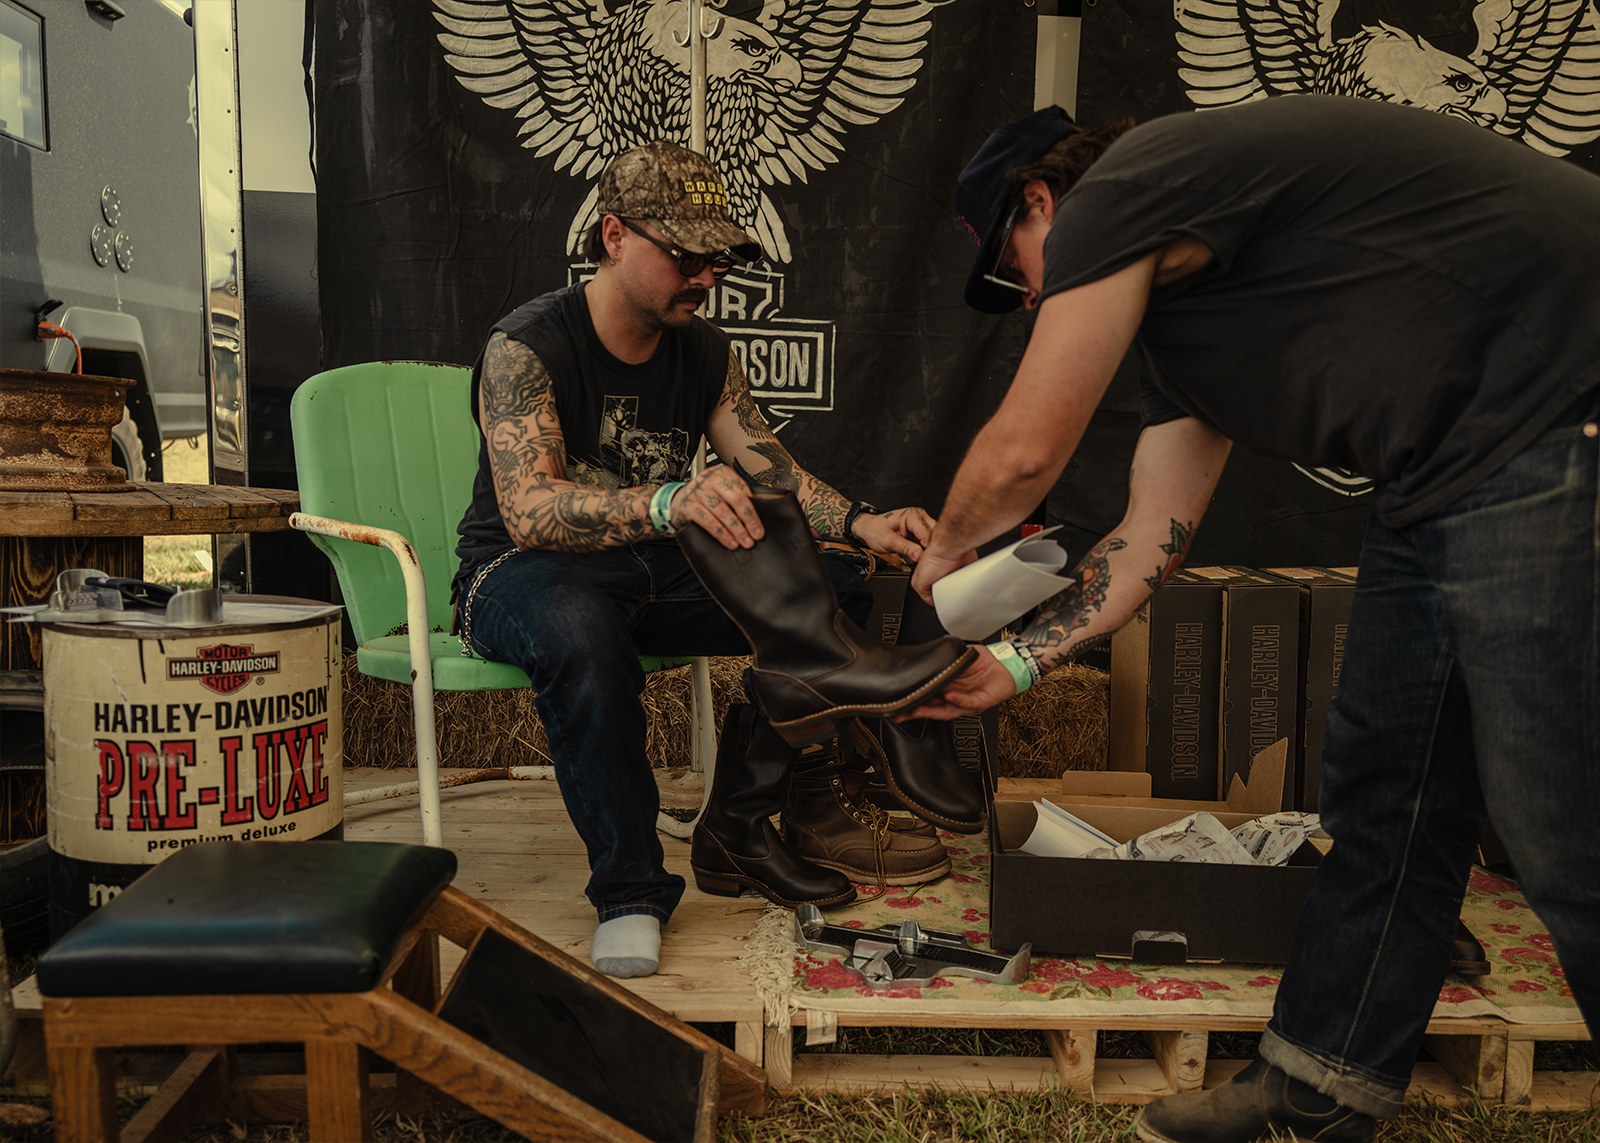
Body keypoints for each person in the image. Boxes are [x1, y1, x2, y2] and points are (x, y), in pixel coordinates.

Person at [910, 97, 1600, 1142]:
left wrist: (947, 556)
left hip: (1561, 414)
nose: (1032, 301)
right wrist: (1013, 662)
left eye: (1016, 271)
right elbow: (1150, 540)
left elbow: (1021, 457)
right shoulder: (1188, 338)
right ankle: (1319, 1087)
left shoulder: (1120, 191)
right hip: (1445, 473)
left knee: (1563, 818)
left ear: (1040, 201)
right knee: (1388, 786)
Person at [452, 140, 980, 981]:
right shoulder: (526, 344)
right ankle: (628, 890)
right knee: (582, 632)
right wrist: (667, 500)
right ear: (614, 235)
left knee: (830, 588)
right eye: (684, 255)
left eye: (718, 257)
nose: (706, 276)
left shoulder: (703, 349)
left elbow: (769, 468)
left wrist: (864, 522)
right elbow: (531, 510)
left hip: (651, 565)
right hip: (519, 573)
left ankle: (740, 821)